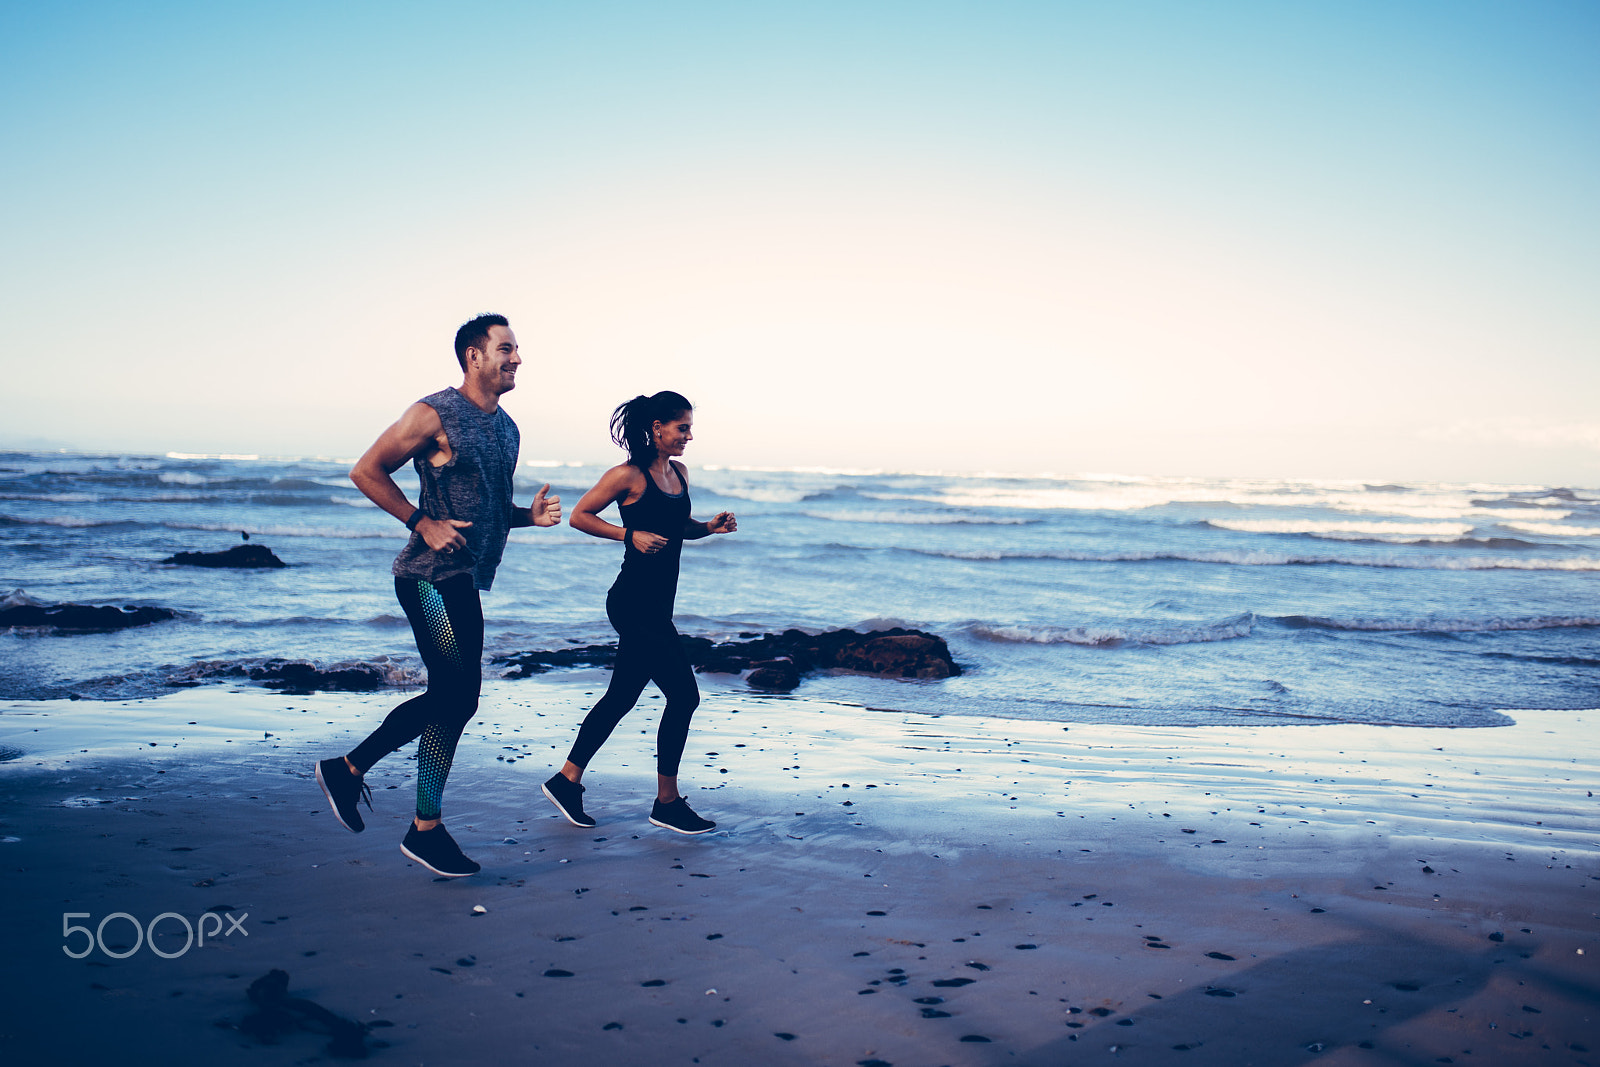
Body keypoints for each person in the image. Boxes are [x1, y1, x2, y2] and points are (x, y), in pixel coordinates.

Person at [313, 313, 561, 877]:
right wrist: (421, 521)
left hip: (463, 579)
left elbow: (487, 513)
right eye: (506, 348)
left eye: (518, 349)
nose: (517, 358)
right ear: (474, 356)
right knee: (455, 694)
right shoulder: (433, 413)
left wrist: (528, 518)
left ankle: (405, 813)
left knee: (459, 699)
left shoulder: (507, 429)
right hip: (427, 576)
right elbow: (366, 470)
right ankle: (364, 781)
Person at [542, 391, 736, 834]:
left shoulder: (680, 474)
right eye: (682, 427)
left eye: (689, 427)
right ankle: (666, 802)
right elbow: (580, 516)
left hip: (657, 605)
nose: (689, 435)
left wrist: (708, 527)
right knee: (685, 696)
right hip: (632, 603)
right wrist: (628, 536)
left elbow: (677, 528)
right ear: (657, 428)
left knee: (622, 696)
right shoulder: (626, 476)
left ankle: (567, 779)